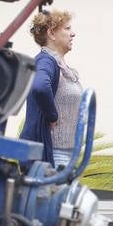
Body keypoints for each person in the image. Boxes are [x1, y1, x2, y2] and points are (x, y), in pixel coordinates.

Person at [21, 9, 82, 168]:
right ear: (52, 33)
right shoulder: (46, 61)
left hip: (65, 153)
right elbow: (40, 86)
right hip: (54, 154)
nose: (73, 33)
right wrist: (52, 115)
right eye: (67, 28)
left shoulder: (59, 65)